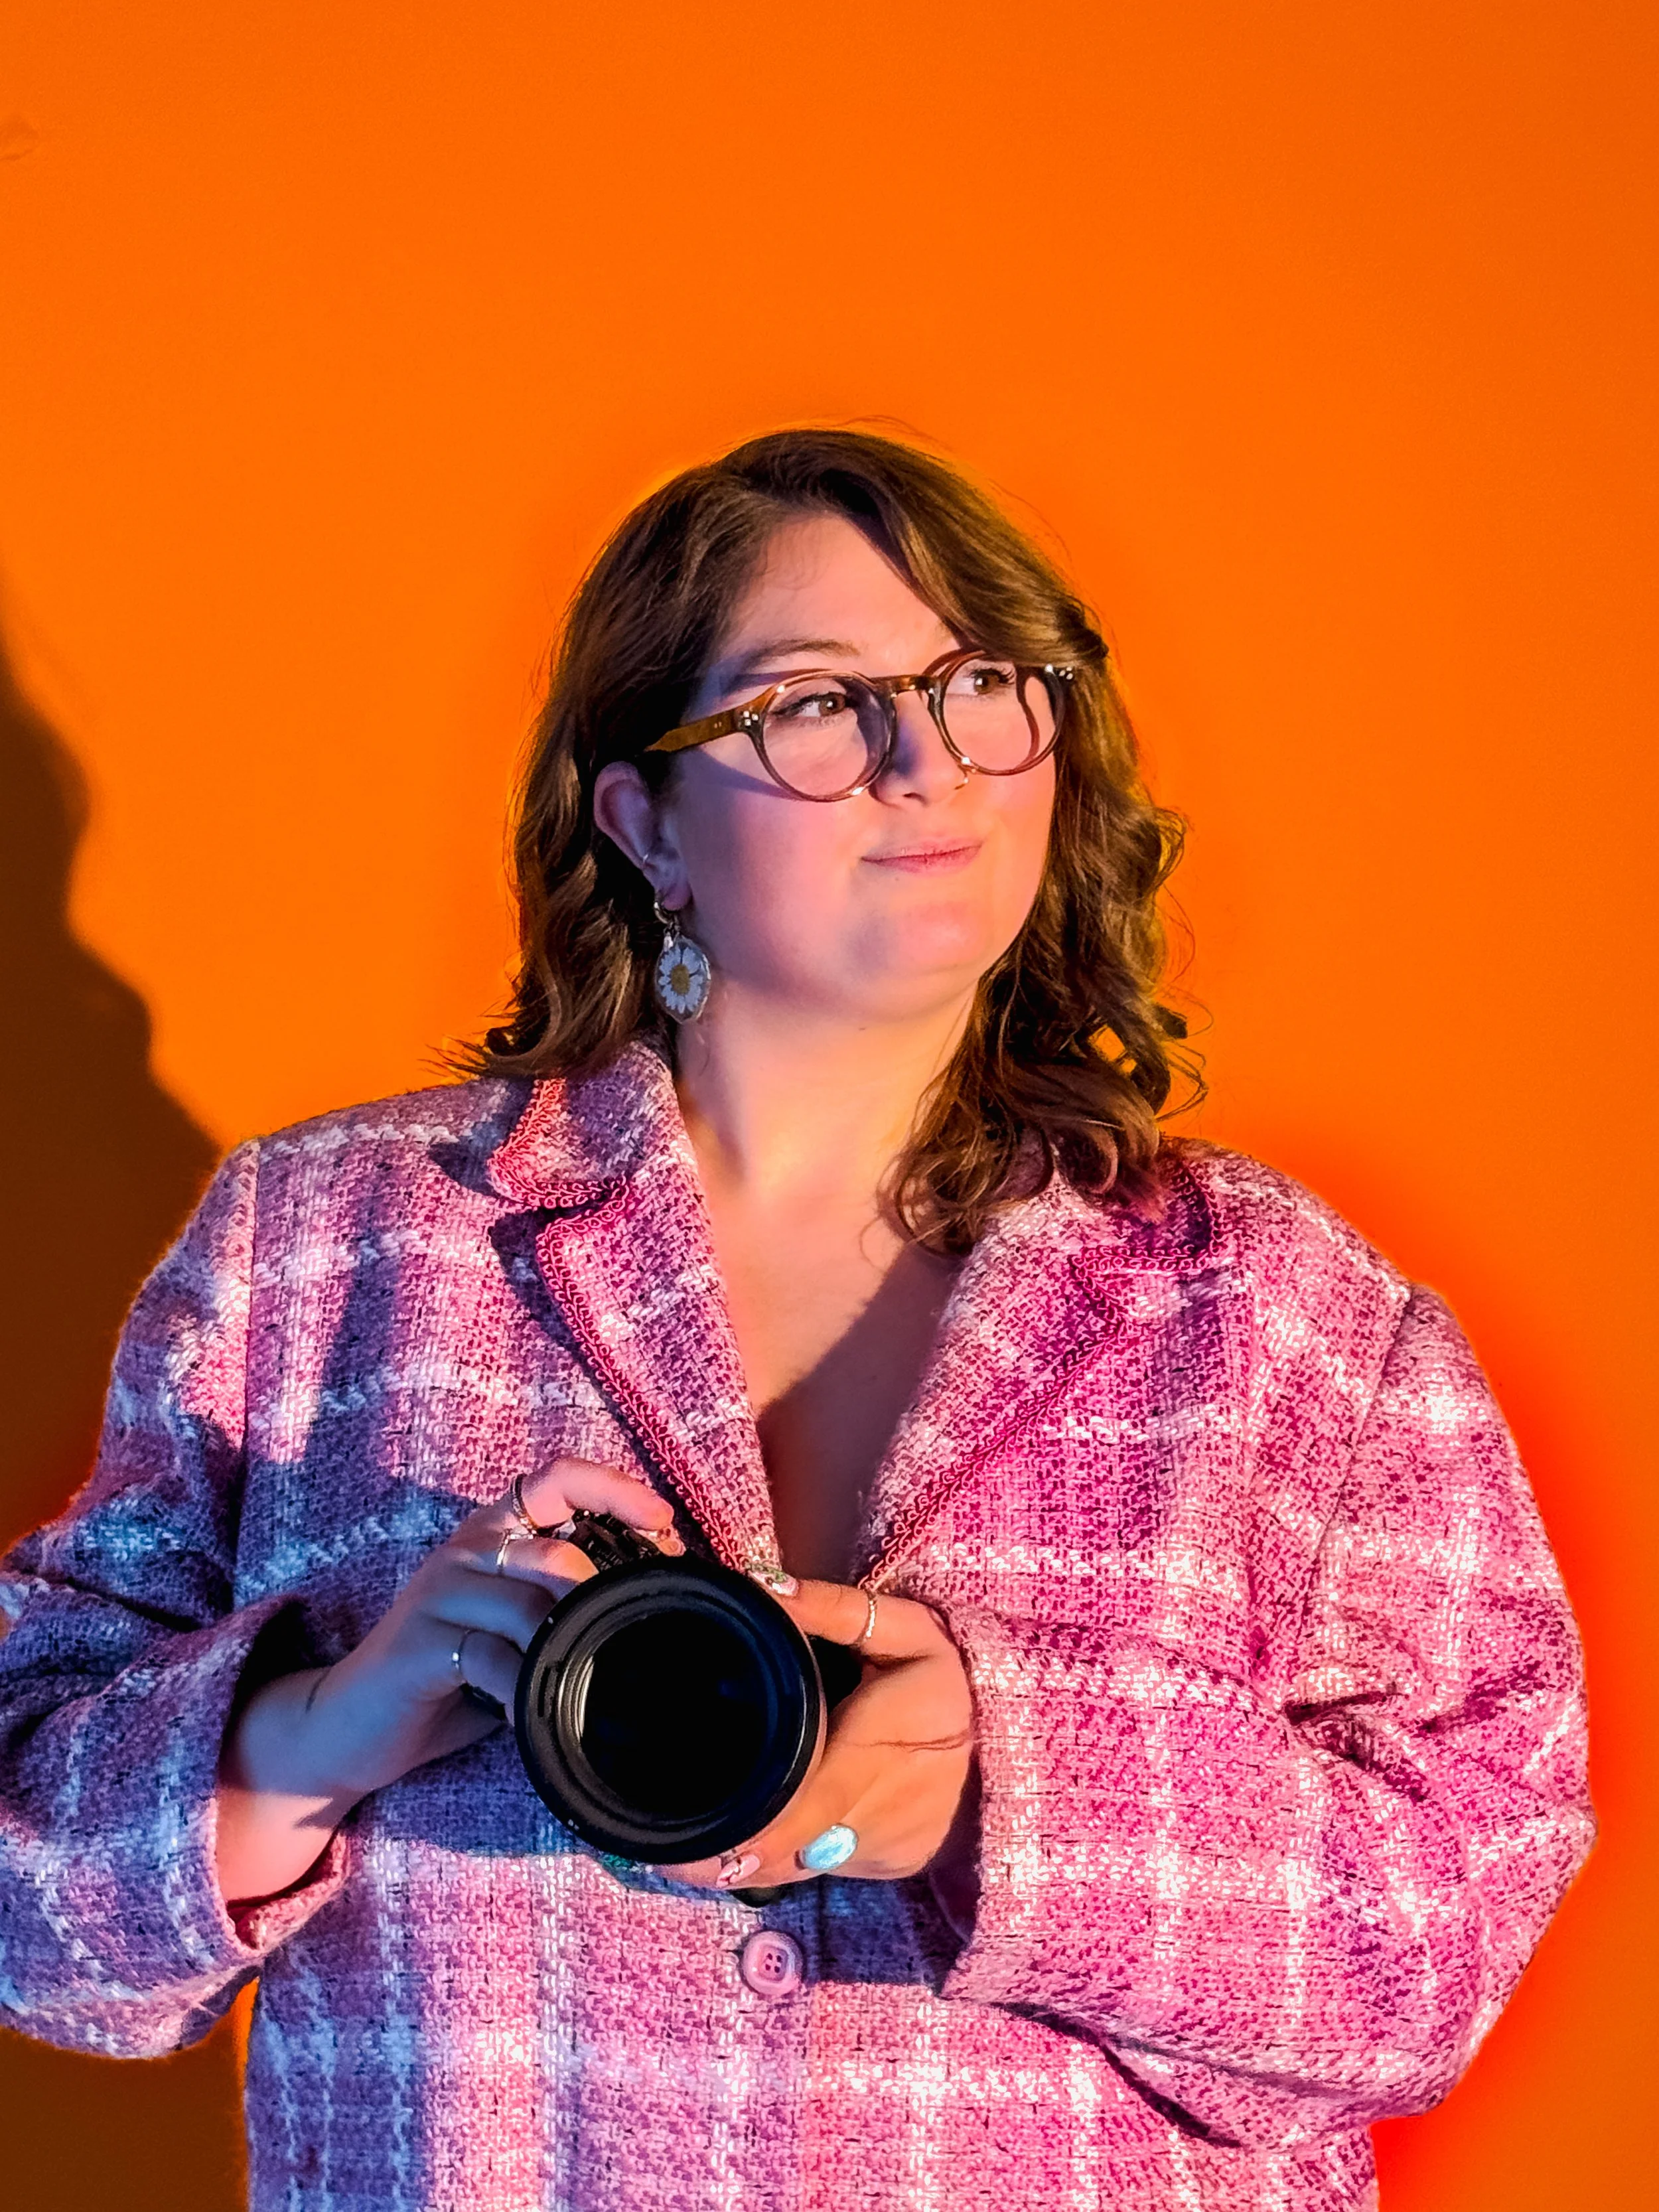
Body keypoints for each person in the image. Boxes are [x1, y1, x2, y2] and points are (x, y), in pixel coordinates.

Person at [0, 429, 1591, 2211]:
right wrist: (321, 1722)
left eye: (982, 680)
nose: (926, 761)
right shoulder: (324, 1253)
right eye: (814, 704)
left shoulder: (1291, 1322)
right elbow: (33, 1912)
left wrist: (999, 1792)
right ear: (644, 817)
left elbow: (1445, 1943)